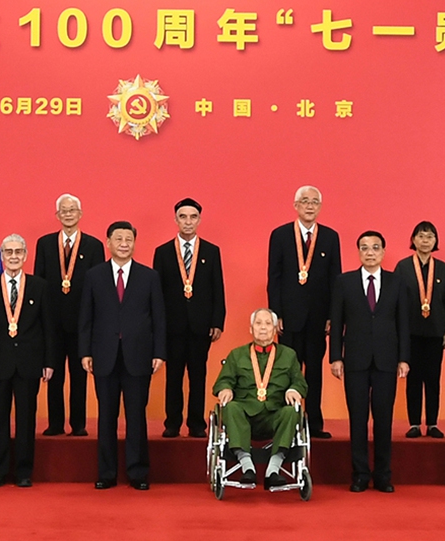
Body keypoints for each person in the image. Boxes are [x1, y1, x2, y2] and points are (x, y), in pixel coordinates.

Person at [79, 221, 166, 490]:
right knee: (106, 416)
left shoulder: (149, 276)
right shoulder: (94, 275)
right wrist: (85, 352)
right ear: (108, 242)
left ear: (134, 243)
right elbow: (86, 317)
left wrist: (159, 352)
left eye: (129, 239)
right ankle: (106, 473)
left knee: (136, 416)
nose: (124, 243)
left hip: (138, 356)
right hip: (104, 355)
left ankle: (138, 472)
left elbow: (159, 318)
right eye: (119, 239)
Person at [330, 230, 410, 493]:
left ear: (383, 252)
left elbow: (403, 323)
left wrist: (404, 358)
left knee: (384, 419)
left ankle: (383, 475)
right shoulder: (344, 282)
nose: (370, 252)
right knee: (358, 419)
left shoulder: (397, 282)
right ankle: (360, 474)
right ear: (359, 252)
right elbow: (337, 321)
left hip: (387, 359)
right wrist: (335, 358)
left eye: (375, 247)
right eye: (364, 248)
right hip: (355, 359)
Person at [0, 234, 57, 487]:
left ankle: (23, 472)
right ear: (1, 256)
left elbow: (48, 327)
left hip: (29, 362)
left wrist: (49, 362)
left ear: (25, 255)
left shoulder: (39, 286)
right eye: (8, 252)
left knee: (26, 417)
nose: (13, 256)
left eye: (18, 252)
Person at [267, 185, 341, 438]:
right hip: (288, 318)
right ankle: (287, 422)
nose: (310, 206)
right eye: (305, 201)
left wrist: (333, 314)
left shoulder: (331, 237)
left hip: (318, 318)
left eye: (315, 202)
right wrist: (276, 313)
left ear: (320, 207)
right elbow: (274, 277)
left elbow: (335, 279)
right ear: (295, 205)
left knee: (315, 372)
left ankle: (314, 423)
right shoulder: (280, 235)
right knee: (287, 370)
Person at [154, 198, 227, 439]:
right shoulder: (163, 252)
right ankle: (172, 422)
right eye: (183, 217)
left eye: (192, 217)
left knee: (198, 374)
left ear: (199, 220)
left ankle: (197, 423)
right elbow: (157, 292)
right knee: (173, 376)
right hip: (172, 326)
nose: (188, 221)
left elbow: (218, 288)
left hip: (201, 325)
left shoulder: (211, 251)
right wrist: (158, 325)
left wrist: (217, 321)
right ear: (175, 220)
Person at [212, 309, 307, 488]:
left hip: (275, 414)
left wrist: (294, 390)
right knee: (230, 407)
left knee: (290, 411)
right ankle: (248, 467)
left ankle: (273, 469)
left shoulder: (289, 355)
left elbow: (300, 383)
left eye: (267, 324)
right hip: (244, 415)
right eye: (258, 323)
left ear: (275, 329)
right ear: (251, 329)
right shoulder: (236, 355)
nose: (263, 328)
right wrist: (225, 389)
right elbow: (223, 380)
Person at [37, 193, 105, 437]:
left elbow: (99, 286)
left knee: (79, 375)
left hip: (83, 322)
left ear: (81, 214)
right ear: (57, 215)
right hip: (52, 322)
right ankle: (55, 423)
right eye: (63, 210)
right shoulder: (44, 244)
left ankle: (78, 424)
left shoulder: (94, 246)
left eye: (72, 210)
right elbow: (39, 285)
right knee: (52, 374)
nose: (68, 214)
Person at [397, 221, 445, 439]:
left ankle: (432, 423)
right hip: (410, 333)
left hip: (435, 334)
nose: (425, 240)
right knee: (413, 380)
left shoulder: (442, 268)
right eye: (421, 236)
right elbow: (395, 302)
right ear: (413, 240)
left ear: (435, 241)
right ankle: (414, 423)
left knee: (432, 379)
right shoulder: (403, 267)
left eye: (430, 236)